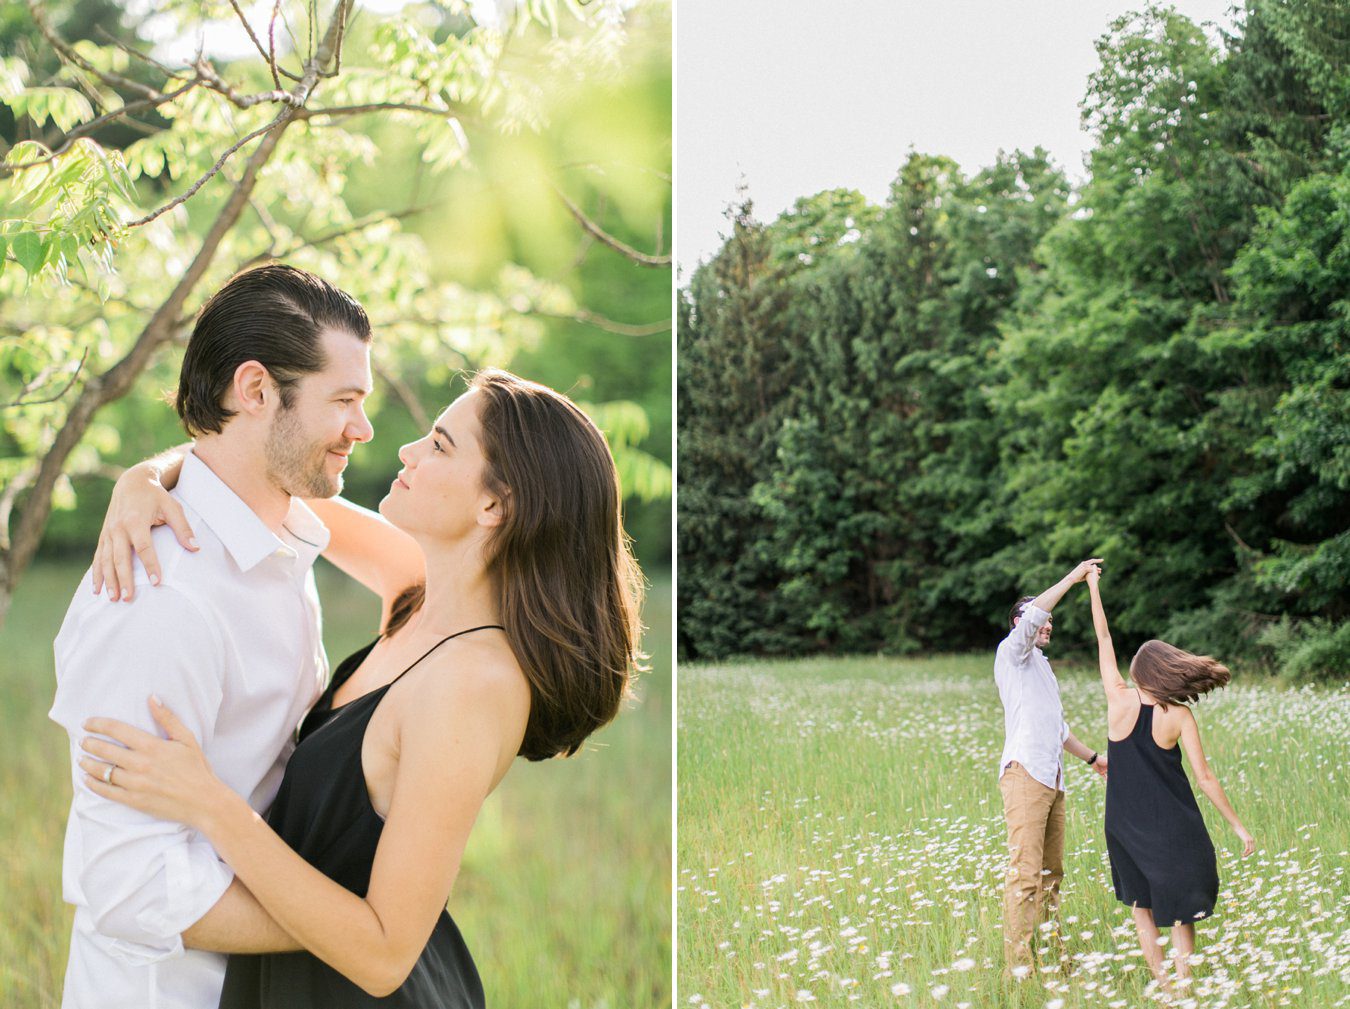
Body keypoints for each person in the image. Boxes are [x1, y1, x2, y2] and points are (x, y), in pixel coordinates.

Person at [73, 365, 643, 1008]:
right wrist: (144, 477)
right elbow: (256, 470)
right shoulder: (417, 592)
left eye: (439, 444)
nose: (406, 449)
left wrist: (210, 805)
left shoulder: (476, 684)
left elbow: (385, 953)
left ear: (494, 506)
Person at [50, 263, 376, 1009]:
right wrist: (343, 923)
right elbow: (127, 883)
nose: (361, 428)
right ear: (255, 389)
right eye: (345, 401)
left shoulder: (283, 542)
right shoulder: (160, 595)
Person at [1086, 565, 1253, 991]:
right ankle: (1184, 982)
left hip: (1122, 823)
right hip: (1173, 825)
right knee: (1180, 908)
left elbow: (1103, 638)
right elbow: (1206, 777)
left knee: (1141, 905)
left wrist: (1092, 586)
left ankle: (1162, 986)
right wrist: (1237, 826)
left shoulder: (1117, 699)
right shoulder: (1179, 715)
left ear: (1141, 672)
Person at [995, 559, 1108, 976]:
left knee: (1051, 874)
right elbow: (1034, 615)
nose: (1047, 625)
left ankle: (1053, 957)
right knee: (1026, 875)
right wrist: (1075, 577)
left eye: (1050, 622)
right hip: (1024, 773)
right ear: (1017, 623)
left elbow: (1058, 729)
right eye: (1040, 620)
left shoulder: (1041, 666)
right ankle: (1018, 968)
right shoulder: (1013, 652)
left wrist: (1094, 759)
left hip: (1052, 776)